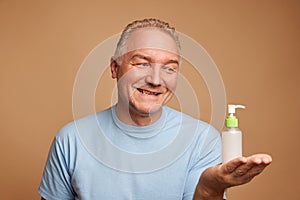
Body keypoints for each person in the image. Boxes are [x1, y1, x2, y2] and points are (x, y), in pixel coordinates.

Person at [39, 18, 272, 200]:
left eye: (170, 69)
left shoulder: (202, 140)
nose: (156, 79)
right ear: (114, 68)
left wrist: (209, 189)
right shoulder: (70, 140)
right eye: (142, 64)